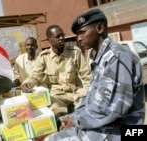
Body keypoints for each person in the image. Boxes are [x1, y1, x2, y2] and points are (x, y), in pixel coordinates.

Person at [43, 8, 145, 141]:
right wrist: (72, 117)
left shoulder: (116, 57)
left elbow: (110, 108)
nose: (78, 38)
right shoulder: (100, 58)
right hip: (105, 126)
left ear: (100, 28)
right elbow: (92, 99)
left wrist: (76, 121)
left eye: (82, 32)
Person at [20, 25, 90, 118]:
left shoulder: (75, 52)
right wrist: (27, 84)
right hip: (57, 97)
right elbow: (35, 76)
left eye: (62, 35)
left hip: (76, 93)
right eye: (58, 37)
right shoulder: (44, 57)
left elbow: (87, 76)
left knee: (86, 113)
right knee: (56, 115)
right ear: (49, 40)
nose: (61, 38)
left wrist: (87, 93)